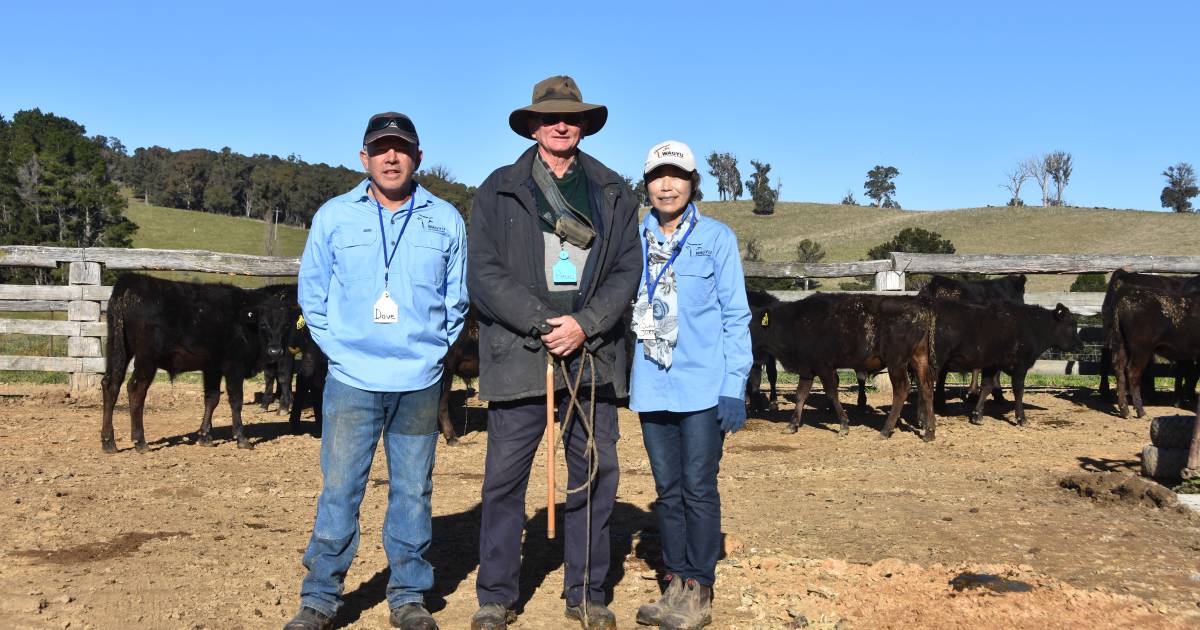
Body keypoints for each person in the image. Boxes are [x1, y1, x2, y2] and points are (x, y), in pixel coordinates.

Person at [467, 75, 642, 630]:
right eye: (550, 117)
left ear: (584, 124)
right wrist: (544, 323)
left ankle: (587, 593)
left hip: (593, 357)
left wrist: (584, 324)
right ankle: (495, 595)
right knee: (503, 482)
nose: (561, 124)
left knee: (593, 473)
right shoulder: (496, 189)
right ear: (534, 125)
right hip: (521, 355)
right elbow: (484, 274)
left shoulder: (613, 191)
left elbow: (626, 270)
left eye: (571, 117)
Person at [285, 112, 468, 630]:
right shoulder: (334, 217)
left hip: (418, 383)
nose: (392, 157)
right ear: (363, 158)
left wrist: (431, 353)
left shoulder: (445, 219)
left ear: (418, 158)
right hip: (351, 382)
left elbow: (457, 302)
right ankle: (320, 598)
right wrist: (341, 350)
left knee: (413, 490)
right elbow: (313, 296)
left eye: (402, 149)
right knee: (341, 489)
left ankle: (409, 596)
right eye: (381, 149)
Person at [628, 141, 751, 630]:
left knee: (699, 487)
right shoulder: (632, 238)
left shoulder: (716, 239)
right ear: (648, 183)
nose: (667, 184)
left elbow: (736, 315)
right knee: (667, 489)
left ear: (692, 182)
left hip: (703, 386)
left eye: (676, 175)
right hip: (652, 385)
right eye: (658, 175)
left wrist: (733, 385)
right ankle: (674, 582)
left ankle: (699, 587)